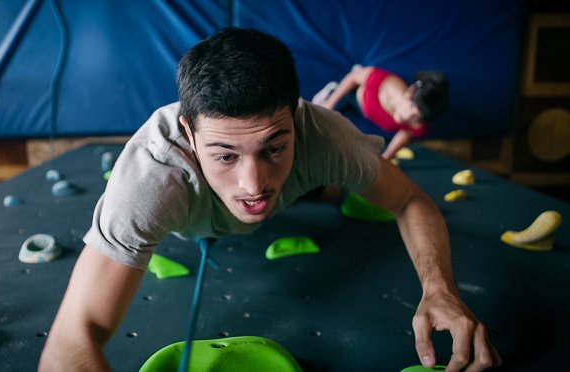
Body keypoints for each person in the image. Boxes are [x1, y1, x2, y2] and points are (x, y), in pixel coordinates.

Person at [38, 28, 499, 371]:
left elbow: (410, 200)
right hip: (186, 213)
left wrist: (441, 290)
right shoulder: (152, 178)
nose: (253, 184)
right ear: (188, 136)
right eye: (224, 155)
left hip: (302, 190)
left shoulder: (325, 136)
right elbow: (71, 339)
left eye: (273, 148)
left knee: (332, 185)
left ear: (296, 123)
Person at [313, 65, 449, 160]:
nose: (408, 116)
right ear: (410, 91)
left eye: (416, 117)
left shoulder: (418, 124)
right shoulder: (387, 84)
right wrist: (330, 103)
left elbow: (405, 134)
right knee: (318, 120)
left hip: (364, 117)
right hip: (352, 96)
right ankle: (330, 94)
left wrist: (386, 158)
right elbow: (353, 78)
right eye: (411, 106)